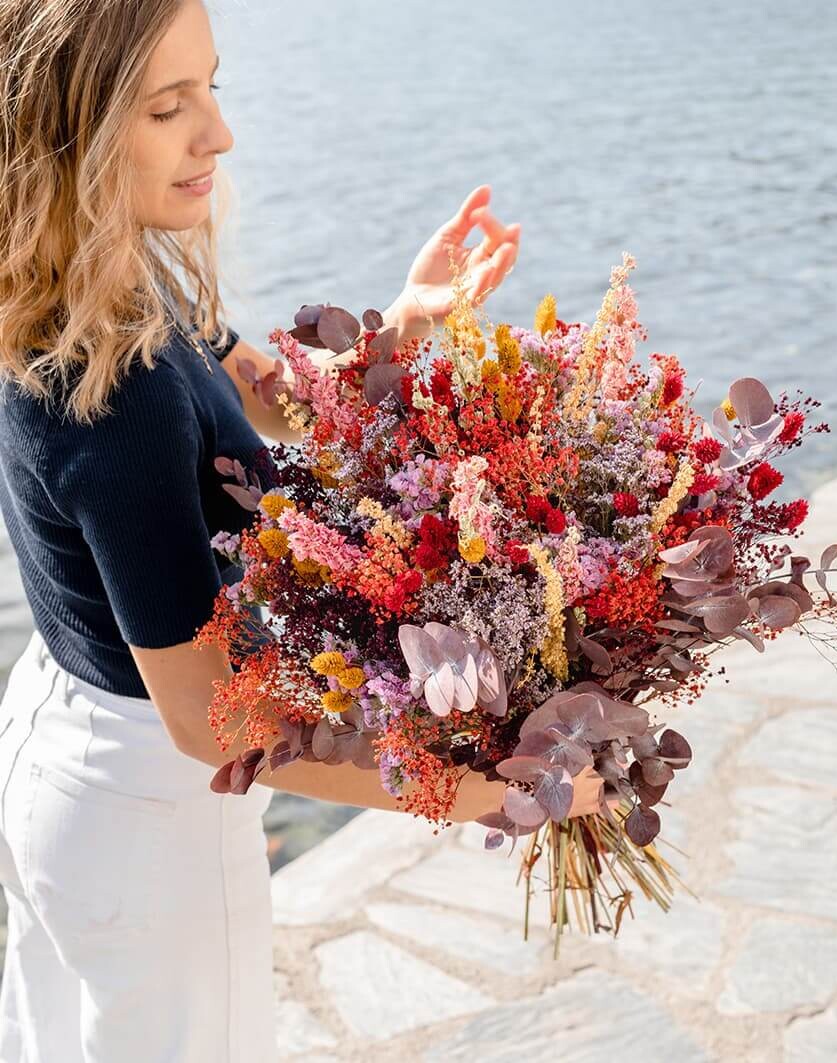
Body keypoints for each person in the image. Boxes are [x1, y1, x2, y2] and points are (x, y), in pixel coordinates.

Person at [0, 2, 599, 1059]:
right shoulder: (120, 392)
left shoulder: (94, 279)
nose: (219, 135)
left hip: (60, 733)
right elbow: (215, 723)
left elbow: (267, 398)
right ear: (69, 139)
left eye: (212, 88)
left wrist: (404, 324)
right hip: (149, 803)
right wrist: (490, 791)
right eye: (167, 109)